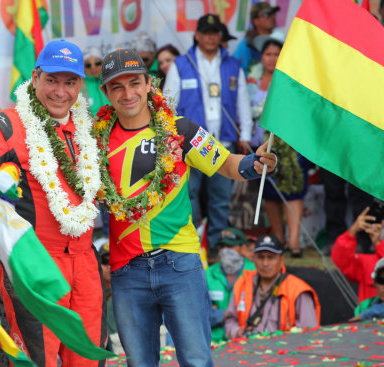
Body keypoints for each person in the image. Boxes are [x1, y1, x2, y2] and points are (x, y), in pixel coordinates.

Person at [94, 48, 277, 367]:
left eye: (135, 83)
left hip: (179, 263)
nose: (127, 93)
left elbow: (226, 163)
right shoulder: (93, 142)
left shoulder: (182, 129)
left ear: (149, 84)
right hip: (126, 271)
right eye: (117, 86)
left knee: (196, 361)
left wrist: (255, 163)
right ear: (105, 92)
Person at [0, 40, 104, 367]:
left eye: (70, 82)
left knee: (88, 360)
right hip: (35, 266)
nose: (61, 91)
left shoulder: (89, 130)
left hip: (86, 262)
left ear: (80, 85)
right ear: (35, 77)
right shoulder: (3, 127)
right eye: (52, 80)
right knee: (37, 360)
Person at [163, 14, 253, 250]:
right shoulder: (182, 64)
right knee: (188, 195)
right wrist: (169, 137)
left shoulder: (232, 65)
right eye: (207, 33)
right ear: (197, 36)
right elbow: (167, 104)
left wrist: (244, 133)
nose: (212, 37)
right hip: (190, 142)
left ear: (220, 36)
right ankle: (190, 245)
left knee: (221, 198)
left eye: (216, 33)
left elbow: (242, 100)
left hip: (223, 140)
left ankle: (216, 245)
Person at [247, 39, 308, 257]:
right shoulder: (252, 83)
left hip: (291, 146)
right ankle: (279, 239)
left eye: (277, 54)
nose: (272, 58)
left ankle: (294, 243)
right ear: (261, 57)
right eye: (268, 54)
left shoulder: (292, 80)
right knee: (270, 192)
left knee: (293, 191)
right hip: (262, 144)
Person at [224, 234, 320, 339]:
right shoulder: (242, 283)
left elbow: (310, 333)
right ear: (254, 259)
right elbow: (230, 320)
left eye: (271, 257)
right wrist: (237, 332)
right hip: (246, 349)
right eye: (261, 257)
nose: (265, 263)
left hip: (284, 352)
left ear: (281, 260)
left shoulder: (297, 290)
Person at [206, 228, 256, 343]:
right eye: (222, 246)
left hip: (244, 338)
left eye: (230, 246)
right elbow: (200, 312)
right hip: (212, 339)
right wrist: (230, 313)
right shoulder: (208, 274)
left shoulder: (254, 271)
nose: (225, 251)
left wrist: (220, 313)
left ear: (243, 248)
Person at [331, 206, 384, 303]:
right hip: (368, 317)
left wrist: (379, 244)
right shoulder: (369, 262)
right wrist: (352, 231)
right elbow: (341, 261)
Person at [233, 2, 280, 72]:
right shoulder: (246, 45)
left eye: (273, 13)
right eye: (267, 14)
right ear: (255, 21)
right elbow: (238, 71)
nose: (272, 17)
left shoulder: (280, 39)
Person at [81, 45, 109, 116]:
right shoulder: (78, 87)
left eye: (97, 63)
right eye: (88, 65)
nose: (93, 68)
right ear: (83, 67)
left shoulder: (111, 81)